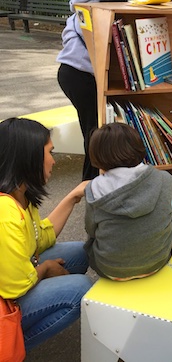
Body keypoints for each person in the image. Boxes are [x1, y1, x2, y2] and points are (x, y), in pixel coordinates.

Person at [0, 118, 93, 351]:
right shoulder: (5, 213)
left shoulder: (19, 195)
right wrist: (46, 268)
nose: (53, 160)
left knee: (81, 253)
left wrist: (73, 196)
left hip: (14, 279)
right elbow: (16, 287)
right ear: (29, 158)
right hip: (8, 295)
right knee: (80, 288)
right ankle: (12, 346)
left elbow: (40, 237)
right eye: (50, 152)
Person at [56, 0, 131, 181]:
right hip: (82, 76)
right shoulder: (95, 11)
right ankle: (90, 182)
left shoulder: (81, 7)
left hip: (69, 73)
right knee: (94, 131)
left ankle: (91, 180)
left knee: (90, 129)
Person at [83, 123, 172, 280]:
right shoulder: (165, 179)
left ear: (97, 154)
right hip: (158, 262)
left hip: (110, 269)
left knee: (91, 241)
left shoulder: (93, 189)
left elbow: (90, 229)